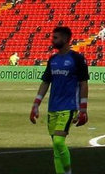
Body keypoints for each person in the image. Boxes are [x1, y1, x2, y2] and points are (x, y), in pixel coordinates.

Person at [29, 25, 89, 174]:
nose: (53, 40)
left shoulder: (77, 58)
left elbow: (83, 83)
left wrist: (83, 109)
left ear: (65, 39)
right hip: (52, 108)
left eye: (55, 37)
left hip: (68, 107)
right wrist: (36, 104)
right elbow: (45, 82)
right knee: (55, 148)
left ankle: (68, 172)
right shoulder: (53, 59)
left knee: (58, 141)